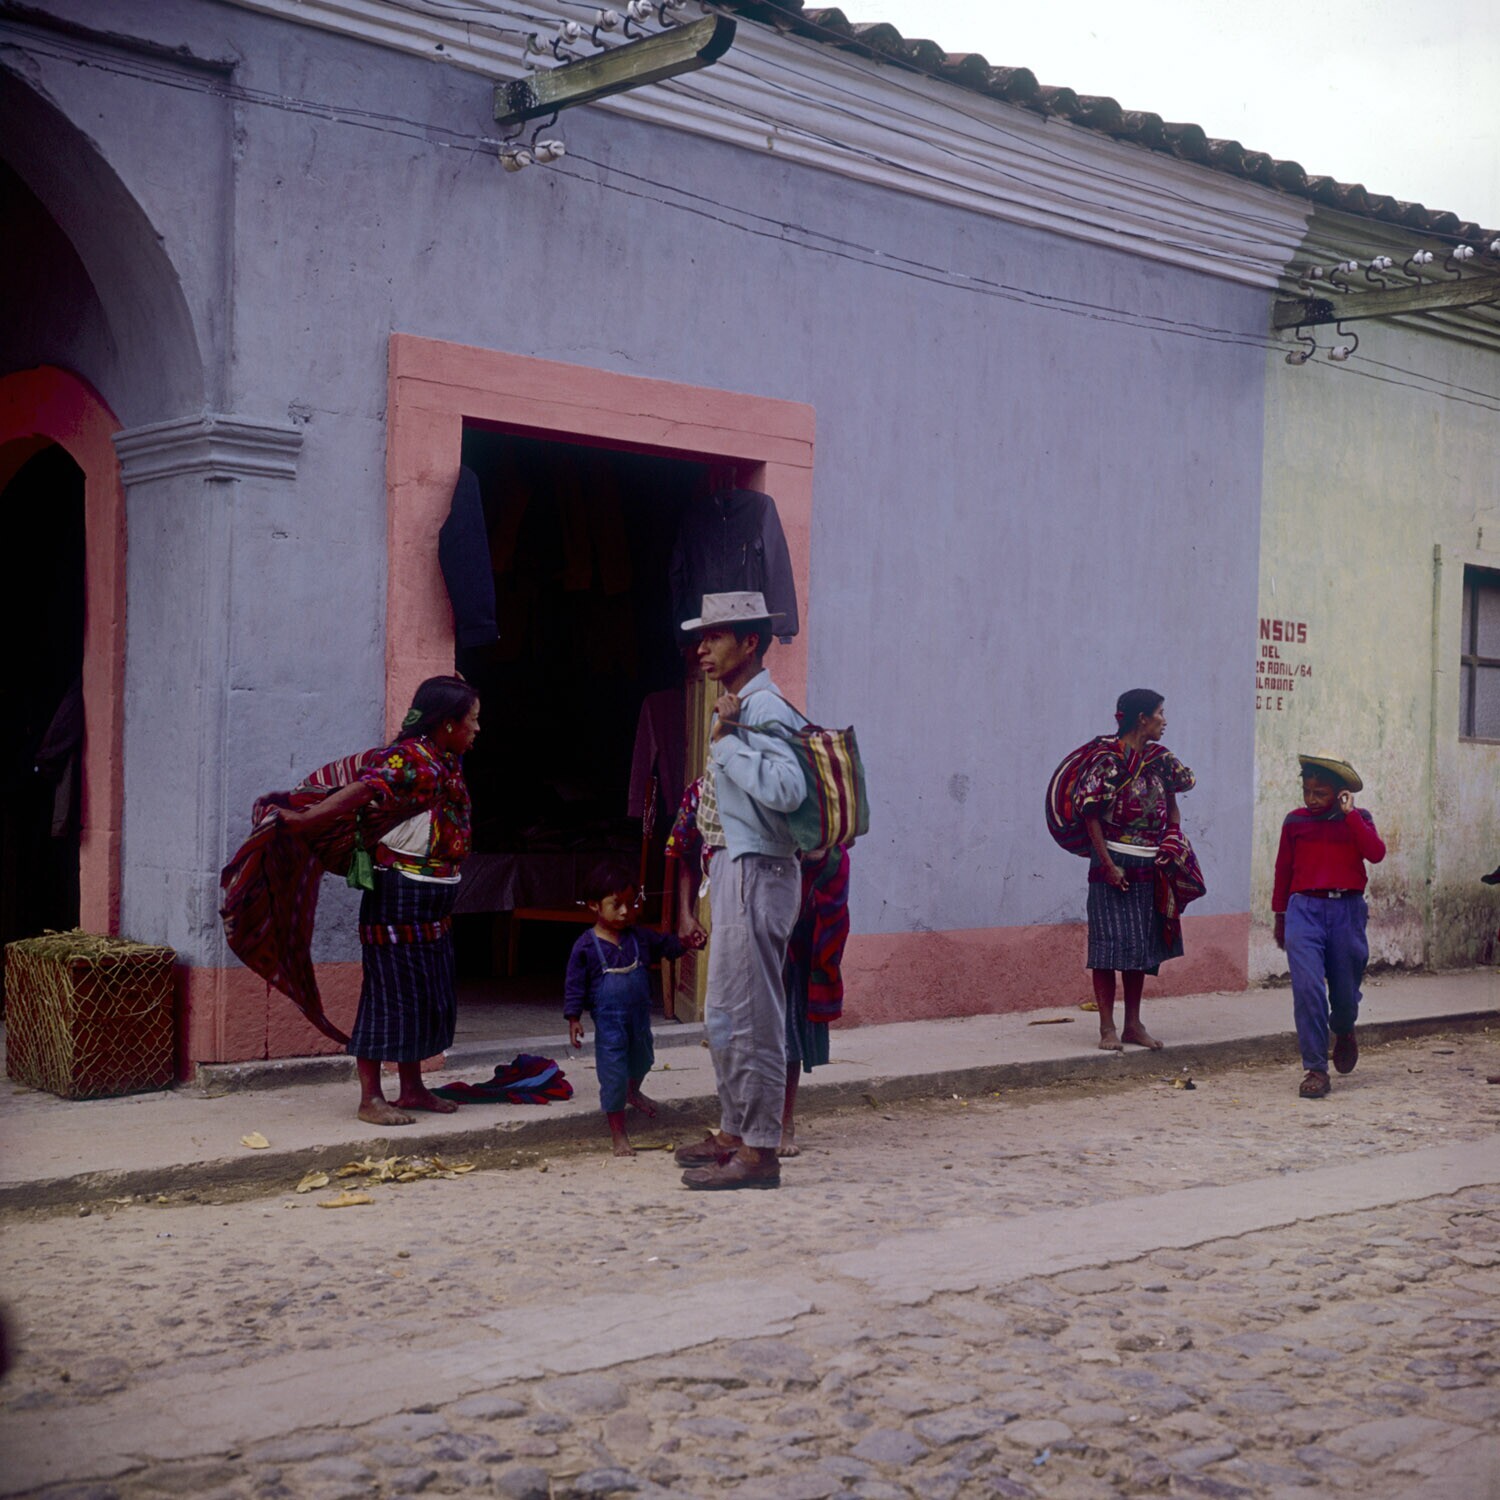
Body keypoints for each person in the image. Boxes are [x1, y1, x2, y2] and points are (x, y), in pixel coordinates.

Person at [275, 676, 481, 1125]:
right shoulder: (410, 757)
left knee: (424, 992)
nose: (477, 728)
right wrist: (308, 820)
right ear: (448, 724)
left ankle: (412, 1089)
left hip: (434, 896)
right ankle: (370, 1098)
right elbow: (365, 789)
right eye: (472, 719)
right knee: (389, 994)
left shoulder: (444, 758)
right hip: (400, 893)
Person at [672, 592, 805, 1190]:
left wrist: (726, 742)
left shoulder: (765, 708)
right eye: (701, 638)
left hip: (759, 871)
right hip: (734, 867)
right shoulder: (739, 704)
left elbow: (787, 790)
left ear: (750, 642)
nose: (702, 649)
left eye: (715, 636)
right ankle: (733, 1131)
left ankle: (760, 1151)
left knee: (754, 1017)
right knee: (727, 1012)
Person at [667, 783, 852, 1158]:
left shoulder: (781, 785)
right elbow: (685, 847)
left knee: (779, 1025)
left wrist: (811, 851)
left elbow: (831, 841)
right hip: (735, 913)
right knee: (728, 1022)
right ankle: (734, 1127)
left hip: (785, 920)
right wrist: (686, 914)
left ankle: (776, 1127)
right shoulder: (706, 791)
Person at [1075, 689, 1197, 1052]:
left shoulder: (1160, 761)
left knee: (1139, 949)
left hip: (1149, 864)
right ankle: (1107, 1028)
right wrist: (1108, 865)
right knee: (1107, 948)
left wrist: (1171, 838)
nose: (1164, 720)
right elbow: (1091, 816)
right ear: (1142, 719)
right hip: (1112, 864)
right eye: (1160, 713)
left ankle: (1133, 1025)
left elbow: (1173, 804)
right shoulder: (1106, 762)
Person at [564, 859, 703, 1157]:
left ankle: (633, 1090)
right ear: (594, 906)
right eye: (617, 905)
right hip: (610, 1026)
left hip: (639, 1021)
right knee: (613, 1075)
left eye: (631, 903)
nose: (626, 911)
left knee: (643, 1060)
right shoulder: (586, 946)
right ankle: (619, 1134)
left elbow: (667, 947)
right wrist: (573, 1018)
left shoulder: (639, 937)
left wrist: (687, 942)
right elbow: (574, 986)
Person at [1272, 754, 1386, 1099]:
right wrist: (1280, 916)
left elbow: (1376, 853)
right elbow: (1283, 869)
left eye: (1320, 793)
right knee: (1307, 988)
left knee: (1345, 992)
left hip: (1347, 911)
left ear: (1340, 793)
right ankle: (1316, 1069)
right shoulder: (1295, 821)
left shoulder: (1359, 819)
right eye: (1307, 791)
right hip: (1303, 909)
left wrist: (1351, 815)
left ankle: (1344, 1027)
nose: (1311, 799)